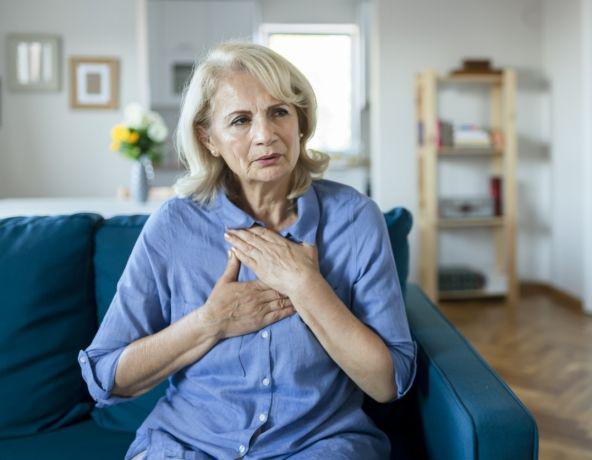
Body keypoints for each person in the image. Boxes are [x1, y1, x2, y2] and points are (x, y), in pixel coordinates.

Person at [78, 41, 416, 460]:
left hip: (318, 445)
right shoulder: (174, 225)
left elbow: (386, 383)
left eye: (279, 112)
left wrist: (306, 285)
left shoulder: (356, 218)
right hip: (186, 446)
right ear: (209, 138)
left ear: (301, 122)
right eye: (240, 120)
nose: (266, 135)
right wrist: (210, 322)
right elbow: (107, 378)